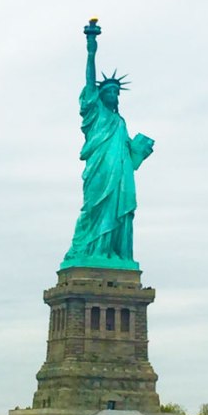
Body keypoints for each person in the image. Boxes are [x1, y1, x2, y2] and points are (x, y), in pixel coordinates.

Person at [62, 19, 154, 268]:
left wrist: (140, 151)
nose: (113, 95)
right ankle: (95, 249)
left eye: (117, 92)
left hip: (121, 174)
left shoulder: (120, 122)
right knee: (95, 208)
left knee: (119, 210)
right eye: (109, 92)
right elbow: (90, 82)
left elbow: (129, 156)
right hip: (99, 170)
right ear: (101, 95)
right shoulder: (95, 113)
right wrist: (91, 48)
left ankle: (114, 253)